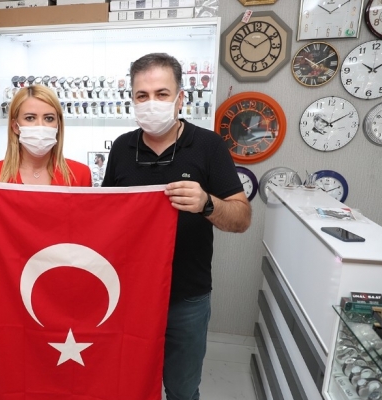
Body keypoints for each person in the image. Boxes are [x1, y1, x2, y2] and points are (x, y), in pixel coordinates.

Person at [102, 53, 251, 400]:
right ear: (132, 99)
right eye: (142, 95)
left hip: (186, 296)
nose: (151, 103)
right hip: (129, 293)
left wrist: (207, 203)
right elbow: (106, 214)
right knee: (128, 383)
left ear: (180, 98)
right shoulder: (122, 148)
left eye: (162, 94)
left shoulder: (208, 146)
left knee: (182, 389)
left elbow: (242, 218)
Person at [0, 85, 92, 257]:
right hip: (11, 274)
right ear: (15, 126)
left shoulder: (79, 175)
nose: (40, 126)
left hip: (61, 272)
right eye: (30, 118)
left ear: (58, 125)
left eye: (49, 118)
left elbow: (86, 245)